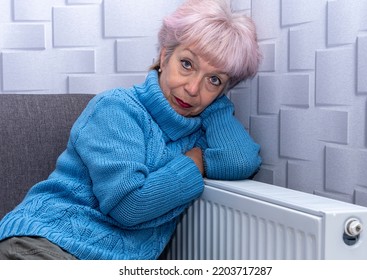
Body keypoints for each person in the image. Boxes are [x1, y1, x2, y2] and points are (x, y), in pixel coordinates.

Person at [0, 0, 262, 260]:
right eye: (187, 64)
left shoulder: (199, 131)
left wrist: (216, 102)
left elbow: (240, 160)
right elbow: (129, 206)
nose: (193, 88)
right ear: (164, 56)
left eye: (213, 79)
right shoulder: (116, 108)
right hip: (43, 244)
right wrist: (194, 162)